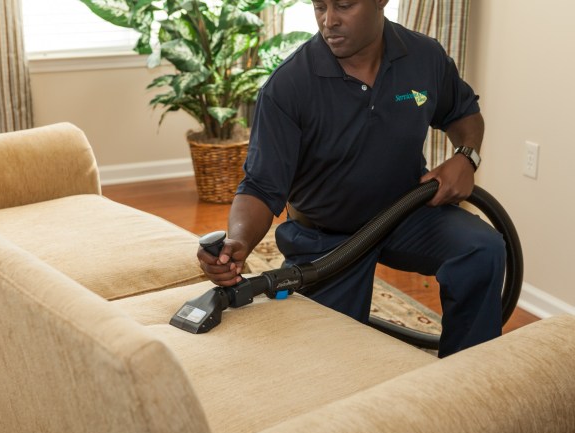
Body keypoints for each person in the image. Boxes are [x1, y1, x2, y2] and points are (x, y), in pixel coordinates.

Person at [197, 0, 505, 358]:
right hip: (327, 237)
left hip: (405, 214)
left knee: (482, 249)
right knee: (325, 364)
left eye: (343, 5)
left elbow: (464, 114)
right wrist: (238, 242)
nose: (329, 21)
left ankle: (471, 379)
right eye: (319, 7)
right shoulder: (289, 85)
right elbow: (260, 187)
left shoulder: (424, 56)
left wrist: (466, 157)